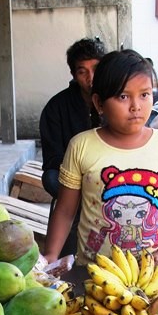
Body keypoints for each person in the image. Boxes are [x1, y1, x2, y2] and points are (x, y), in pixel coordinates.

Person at [44, 49, 158, 270]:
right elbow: (65, 211)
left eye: (144, 95)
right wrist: (51, 254)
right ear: (99, 103)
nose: (136, 106)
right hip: (93, 272)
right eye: (123, 97)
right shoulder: (81, 146)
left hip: (151, 273)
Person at [39, 37, 106, 200]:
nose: (91, 78)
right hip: (74, 176)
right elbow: (52, 159)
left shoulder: (115, 101)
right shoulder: (56, 107)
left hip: (110, 172)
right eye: (83, 72)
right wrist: (83, 172)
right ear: (74, 75)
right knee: (50, 178)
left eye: (96, 69)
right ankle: (79, 210)